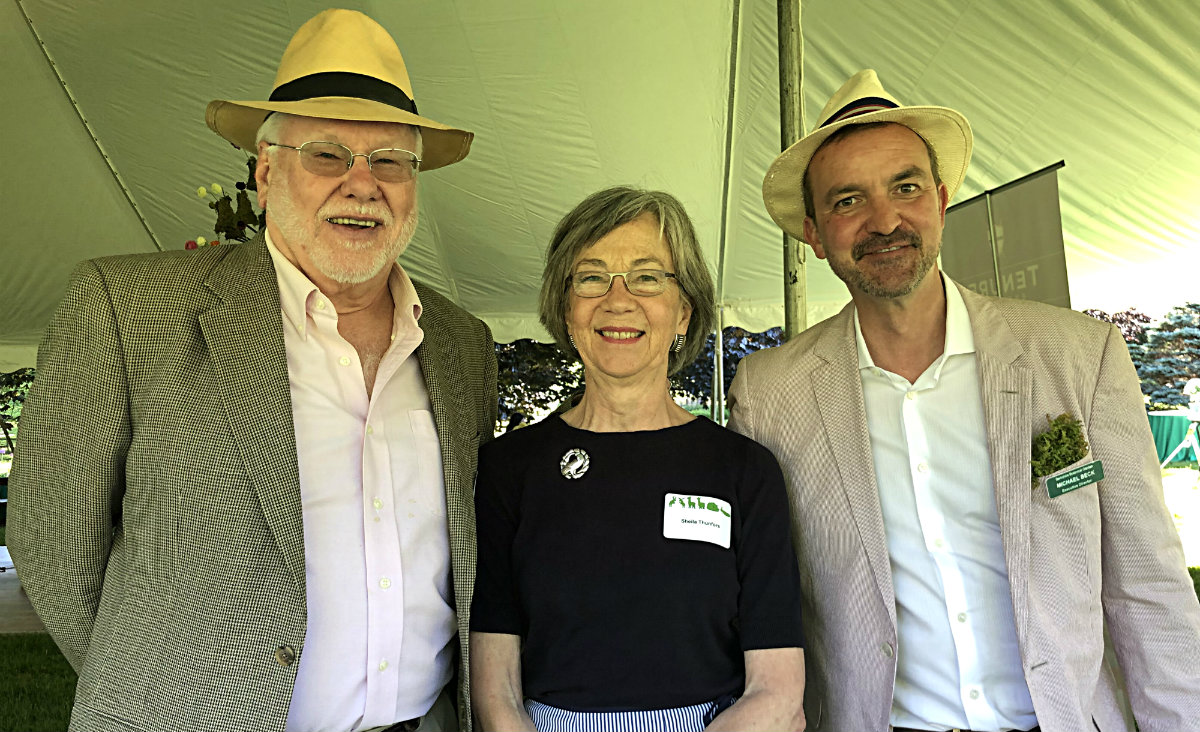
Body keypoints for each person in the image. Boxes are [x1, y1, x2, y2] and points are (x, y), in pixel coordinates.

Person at [8, 9, 497, 732]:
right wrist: (165, 693)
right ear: (266, 174)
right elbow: (52, 542)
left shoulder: (461, 345)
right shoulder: (128, 308)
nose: (363, 185)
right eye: (328, 155)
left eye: (391, 160)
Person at [729, 68, 1200, 732]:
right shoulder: (770, 395)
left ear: (941, 201)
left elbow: (1148, 591)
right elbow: (767, 602)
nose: (884, 220)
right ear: (812, 231)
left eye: (906, 187)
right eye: (847, 201)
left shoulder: (1077, 356)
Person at [469, 187, 806, 732]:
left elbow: (778, 688)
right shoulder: (510, 470)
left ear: (683, 312)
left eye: (648, 277)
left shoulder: (745, 471)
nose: (618, 299)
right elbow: (496, 688)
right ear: (566, 308)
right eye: (591, 276)